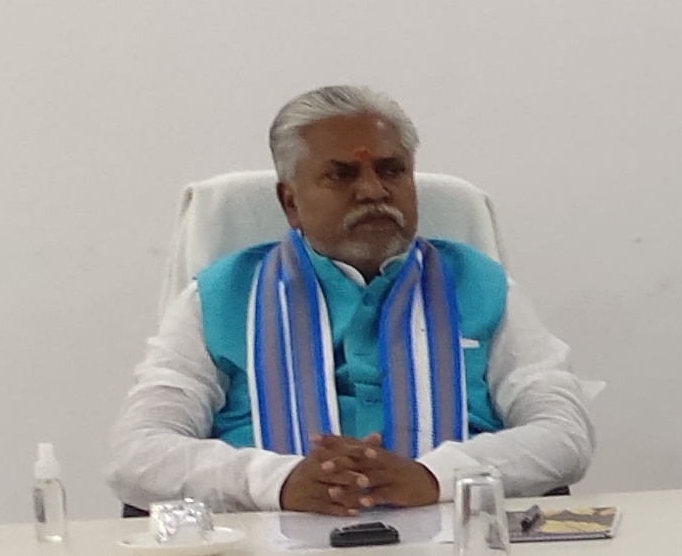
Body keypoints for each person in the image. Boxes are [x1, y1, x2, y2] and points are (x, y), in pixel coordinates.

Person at [106, 85, 595, 517]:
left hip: (451, 533)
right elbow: (136, 452)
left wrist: (437, 477)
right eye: (341, 175)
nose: (373, 191)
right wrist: (277, 482)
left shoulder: (480, 285)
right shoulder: (220, 296)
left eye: (392, 171)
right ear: (290, 202)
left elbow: (564, 432)